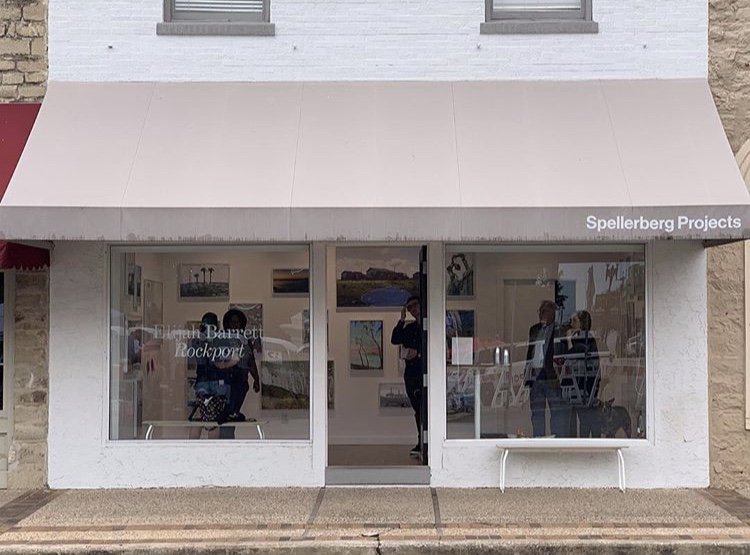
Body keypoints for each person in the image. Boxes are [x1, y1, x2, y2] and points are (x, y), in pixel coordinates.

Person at [213, 309, 261, 439]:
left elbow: (250, 362)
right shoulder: (220, 339)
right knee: (226, 415)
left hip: (240, 382)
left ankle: (228, 440)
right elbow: (214, 361)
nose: (235, 325)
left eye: (238, 323)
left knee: (232, 414)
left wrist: (256, 379)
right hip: (223, 383)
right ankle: (225, 441)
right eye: (232, 322)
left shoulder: (244, 340)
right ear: (227, 323)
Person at [524, 299, 570, 437]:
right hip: (535, 374)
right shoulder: (534, 329)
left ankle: (556, 441)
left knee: (556, 411)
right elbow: (529, 351)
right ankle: (538, 440)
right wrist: (526, 375)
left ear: (553, 313)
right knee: (537, 413)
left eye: (545, 311)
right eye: (540, 311)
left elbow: (564, 352)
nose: (541, 314)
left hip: (551, 375)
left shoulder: (559, 330)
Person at [390, 295, 423, 457]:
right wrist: (401, 319)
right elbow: (395, 339)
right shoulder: (409, 328)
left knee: (426, 408)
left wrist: (417, 354)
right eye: (409, 307)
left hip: (425, 372)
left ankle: (428, 441)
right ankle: (421, 441)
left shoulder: (428, 326)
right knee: (417, 409)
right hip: (411, 374)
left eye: (415, 305)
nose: (413, 309)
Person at [564, 310, 601, 438]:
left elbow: (572, 356)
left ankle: (588, 441)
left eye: (575, 321)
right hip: (583, 381)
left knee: (586, 417)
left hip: (585, 383)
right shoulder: (583, 337)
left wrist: (568, 340)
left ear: (582, 323)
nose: (571, 324)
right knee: (584, 417)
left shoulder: (584, 337)